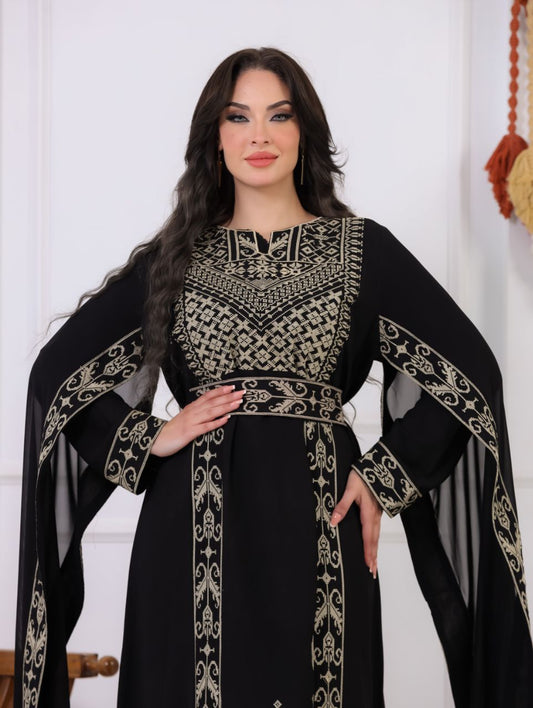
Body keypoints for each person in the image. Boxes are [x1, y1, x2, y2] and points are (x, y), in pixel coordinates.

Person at [14, 47, 533, 708]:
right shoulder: (175, 259)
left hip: (321, 529)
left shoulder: (363, 253)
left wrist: (384, 476)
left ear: (303, 132)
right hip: (189, 534)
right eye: (238, 117)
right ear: (215, 138)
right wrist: (148, 437)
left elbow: (471, 377)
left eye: (278, 116)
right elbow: (55, 379)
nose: (258, 135)